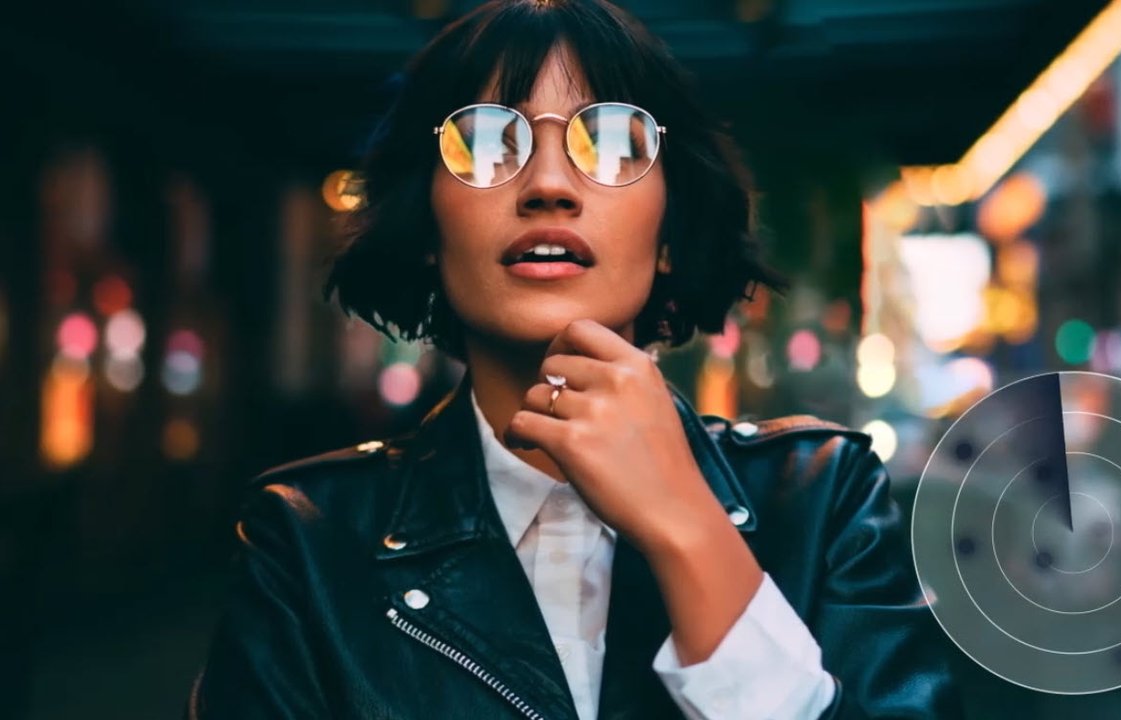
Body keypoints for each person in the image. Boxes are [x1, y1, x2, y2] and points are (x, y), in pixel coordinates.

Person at [186, 1, 961, 718]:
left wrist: (687, 526)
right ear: (426, 227)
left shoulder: (824, 501)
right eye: (487, 142)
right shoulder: (310, 541)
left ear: (667, 234)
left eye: (613, 141)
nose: (549, 185)